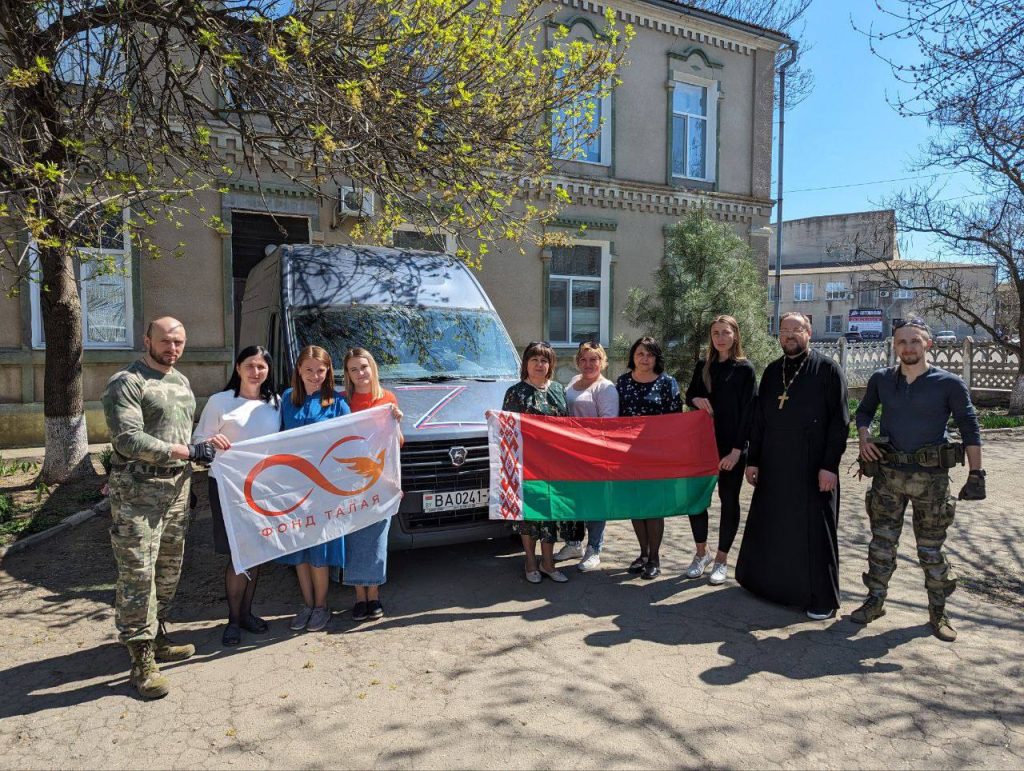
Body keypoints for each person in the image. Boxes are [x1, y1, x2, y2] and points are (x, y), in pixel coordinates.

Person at [102, 316, 216, 699]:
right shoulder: (127, 382)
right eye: (166, 341)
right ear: (147, 339)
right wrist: (183, 452)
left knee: (168, 570)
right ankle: (141, 661)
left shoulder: (181, 382)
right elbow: (128, 438)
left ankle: (158, 634)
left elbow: (183, 434)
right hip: (137, 494)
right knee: (137, 574)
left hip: (176, 492)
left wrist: (197, 455)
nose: (172, 349)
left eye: (179, 342)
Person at [851, 318, 984, 642]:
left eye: (914, 340)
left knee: (931, 550)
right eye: (901, 342)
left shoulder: (948, 383)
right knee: (881, 545)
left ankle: (938, 611)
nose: (908, 347)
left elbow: (969, 426)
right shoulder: (882, 379)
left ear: (928, 344)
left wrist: (977, 473)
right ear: (894, 346)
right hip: (888, 478)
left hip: (931, 482)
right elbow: (864, 411)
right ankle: (875, 601)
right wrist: (865, 438)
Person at [736, 312, 849, 620]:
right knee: (775, 527)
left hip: (813, 467)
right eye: (784, 330)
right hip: (774, 464)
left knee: (814, 531)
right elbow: (760, 420)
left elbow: (840, 423)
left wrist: (830, 466)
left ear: (808, 333)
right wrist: (753, 459)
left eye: (796, 329)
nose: (789, 335)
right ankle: (768, 587)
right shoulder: (773, 371)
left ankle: (821, 598)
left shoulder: (828, 369)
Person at [191, 345, 281, 647]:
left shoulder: (276, 403)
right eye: (250, 366)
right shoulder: (220, 401)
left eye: (262, 367)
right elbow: (198, 442)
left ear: (269, 370)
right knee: (237, 554)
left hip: (261, 488)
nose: (256, 372)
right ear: (238, 368)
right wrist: (210, 441)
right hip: (227, 487)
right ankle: (232, 619)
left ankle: (246, 614)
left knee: (255, 550)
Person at [277, 345, 350, 633]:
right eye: (309, 370)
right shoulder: (286, 399)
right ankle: (306, 604)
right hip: (294, 486)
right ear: (298, 370)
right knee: (300, 548)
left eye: (321, 370)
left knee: (319, 548)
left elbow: (351, 439)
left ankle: (321, 607)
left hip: (323, 488)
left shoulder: (337, 402)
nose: (315, 376)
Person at [684, 315, 757, 586]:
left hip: (731, 450)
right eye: (715, 333)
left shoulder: (745, 369)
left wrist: (736, 452)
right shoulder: (704, 365)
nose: (720, 338)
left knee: (729, 502)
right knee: (697, 501)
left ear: (735, 335)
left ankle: (721, 559)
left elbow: (749, 413)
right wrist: (696, 398)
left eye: (725, 333)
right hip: (702, 447)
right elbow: (689, 394)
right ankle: (701, 554)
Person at [341, 347, 404, 620]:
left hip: (381, 481)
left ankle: (374, 596)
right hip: (351, 483)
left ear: (372, 368)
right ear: (347, 374)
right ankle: (358, 597)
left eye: (363, 367)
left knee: (378, 538)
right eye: (353, 369)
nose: (360, 373)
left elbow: (398, 443)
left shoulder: (388, 399)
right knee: (354, 537)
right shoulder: (342, 402)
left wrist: (397, 423)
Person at [615, 336, 683, 580]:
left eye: (650, 354)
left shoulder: (667, 383)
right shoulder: (622, 382)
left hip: (657, 456)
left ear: (657, 358)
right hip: (629, 455)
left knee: (654, 507)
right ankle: (642, 554)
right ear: (633, 356)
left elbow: (675, 421)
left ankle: (654, 558)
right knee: (637, 505)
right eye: (640, 354)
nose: (645, 359)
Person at [503, 341, 570, 583]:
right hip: (527, 464)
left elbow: (566, 426)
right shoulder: (515, 392)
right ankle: (530, 560)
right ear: (526, 364)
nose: (539, 364)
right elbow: (507, 430)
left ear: (550, 364)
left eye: (544, 360)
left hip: (553, 465)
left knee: (551, 513)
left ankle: (548, 562)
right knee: (531, 513)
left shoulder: (559, 390)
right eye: (534, 360)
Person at [556, 341, 620, 572]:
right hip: (570, 454)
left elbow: (608, 425)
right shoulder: (574, 382)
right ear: (577, 362)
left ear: (602, 361)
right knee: (573, 499)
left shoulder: (606, 388)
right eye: (583, 359)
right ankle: (573, 544)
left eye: (594, 359)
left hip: (594, 455)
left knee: (594, 502)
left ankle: (594, 549)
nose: (588, 364)